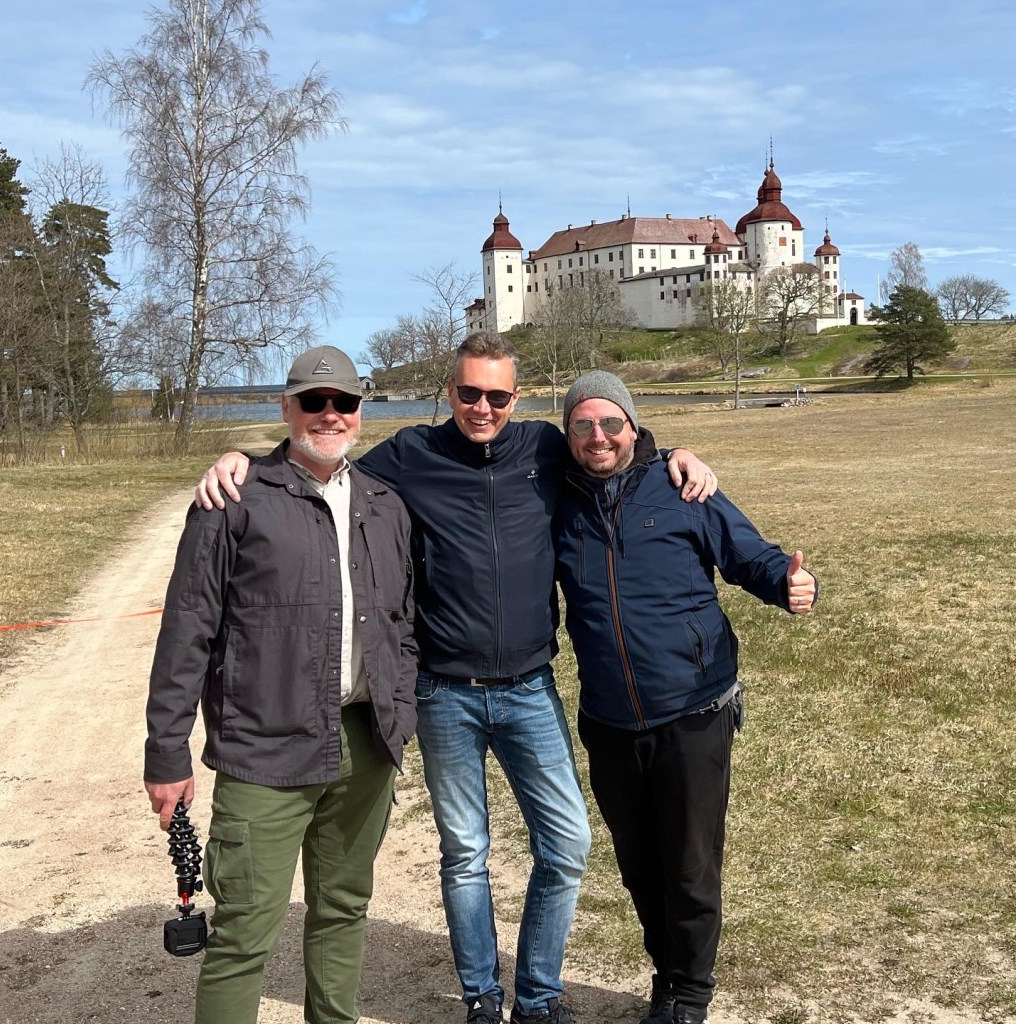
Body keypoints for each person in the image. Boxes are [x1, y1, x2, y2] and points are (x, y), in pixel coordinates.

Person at [196, 334, 718, 1024]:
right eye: (469, 393)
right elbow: (319, 461)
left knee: (568, 844)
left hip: (530, 686)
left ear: (516, 398)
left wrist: (672, 451)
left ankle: (537, 996)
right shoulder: (411, 457)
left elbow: (609, 443)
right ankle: (480, 995)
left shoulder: (543, 448)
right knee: (465, 852)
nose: (482, 407)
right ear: (450, 393)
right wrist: (244, 460)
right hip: (443, 693)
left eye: (497, 396)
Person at [144, 345, 418, 1024]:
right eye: (314, 401)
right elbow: (187, 631)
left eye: (344, 402)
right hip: (264, 751)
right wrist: (166, 752)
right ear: (286, 408)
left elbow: (400, 621)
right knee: (242, 933)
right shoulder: (233, 499)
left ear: (360, 412)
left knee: (343, 911)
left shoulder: (385, 505)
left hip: (364, 745)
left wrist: (400, 705)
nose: (330, 415)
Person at [553, 371, 817, 1024]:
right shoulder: (554, 500)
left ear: (634, 426)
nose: (599, 436)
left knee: (691, 866)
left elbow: (747, 555)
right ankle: (668, 975)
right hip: (609, 720)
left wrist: (789, 582)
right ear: (567, 433)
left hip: (695, 710)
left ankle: (687, 996)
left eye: (611, 422)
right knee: (640, 867)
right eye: (583, 424)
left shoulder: (681, 487)